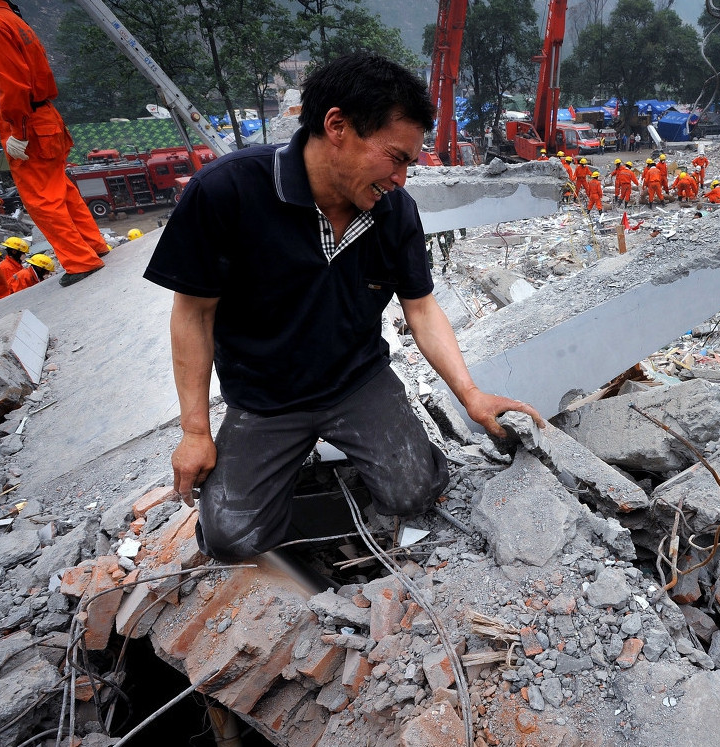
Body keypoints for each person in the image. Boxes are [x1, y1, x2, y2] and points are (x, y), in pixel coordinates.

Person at [143, 51, 542, 562]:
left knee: (413, 494)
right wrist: (195, 431)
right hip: (265, 399)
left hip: (357, 382)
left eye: (409, 164)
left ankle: (374, 458)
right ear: (337, 125)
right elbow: (193, 315)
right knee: (230, 539)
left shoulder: (394, 211)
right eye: (395, 157)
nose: (400, 178)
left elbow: (420, 307)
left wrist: (469, 393)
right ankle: (302, 486)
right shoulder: (227, 192)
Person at [0, 0, 110, 287]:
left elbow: (12, 83)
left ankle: (80, 260)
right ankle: (94, 245)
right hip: (45, 116)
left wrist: (18, 130)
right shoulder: (12, 19)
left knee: (42, 200)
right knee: (61, 190)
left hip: (26, 121)